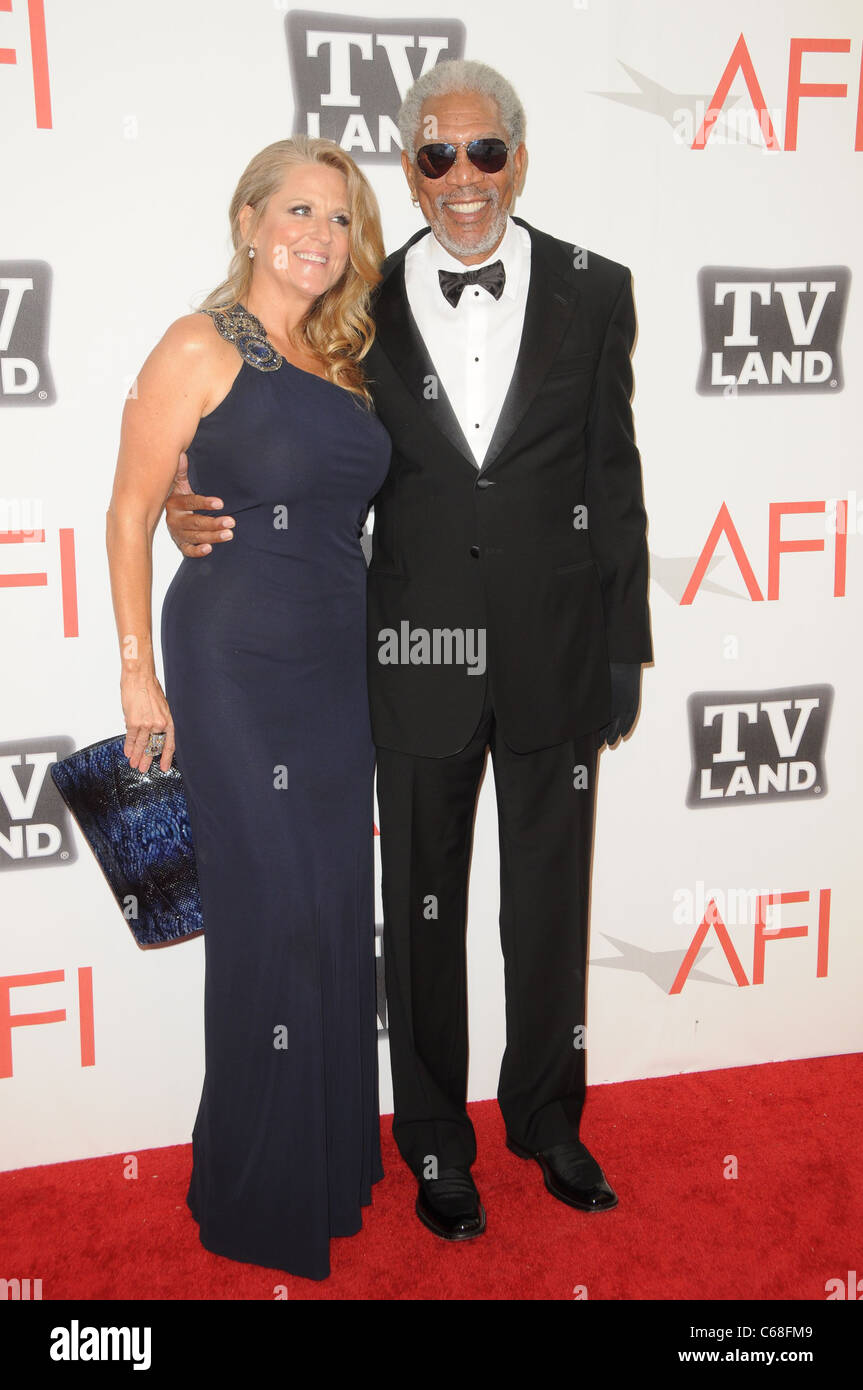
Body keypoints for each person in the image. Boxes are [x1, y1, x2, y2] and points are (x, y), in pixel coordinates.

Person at [166, 60, 652, 1243]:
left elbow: (613, 478)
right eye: (435, 155)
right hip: (409, 654)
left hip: (554, 650)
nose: (462, 177)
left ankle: (544, 1115)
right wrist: (189, 506)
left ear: (517, 158)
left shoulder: (596, 291)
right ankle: (434, 1136)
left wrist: (621, 649)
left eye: (484, 152)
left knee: (546, 906)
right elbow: (267, 430)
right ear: (410, 167)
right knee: (421, 913)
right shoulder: (355, 305)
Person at [105, 135, 391, 1280]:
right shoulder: (196, 343)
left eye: (338, 219)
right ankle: (254, 1190)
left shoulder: (342, 369)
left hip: (334, 664)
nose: (317, 235)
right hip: (232, 660)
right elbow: (130, 512)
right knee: (270, 917)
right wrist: (136, 672)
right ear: (247, 217)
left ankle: (323, 1165)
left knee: (326, 911)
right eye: (299, 210)